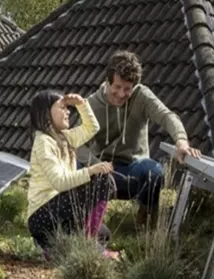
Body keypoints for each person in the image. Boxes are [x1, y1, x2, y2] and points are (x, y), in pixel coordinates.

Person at [82, 51, 202, 226]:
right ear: (108, 82)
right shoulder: (91, 104)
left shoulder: (142, 96)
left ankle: (146, 216)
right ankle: (89, 223)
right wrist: (95, 164)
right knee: (77, 168)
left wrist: (181, 141)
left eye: (127, 89)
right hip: (103, 169)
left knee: (155, 172)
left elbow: (167, 116)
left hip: (133, 168)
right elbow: (78, 146)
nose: (121, 94)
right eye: (117, 87)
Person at [27, 90, 119, 261]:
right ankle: (89, 248)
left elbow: (92, 128)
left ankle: (52, 248)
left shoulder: (65, 138)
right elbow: (60, 182)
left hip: (59, 211)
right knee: (103, 180)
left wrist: (82, 105)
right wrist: (90, 171)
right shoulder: (43, 142)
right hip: (41, 217)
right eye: (62, 107)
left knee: (104, 234)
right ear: (46, 113)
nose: (68, 111)